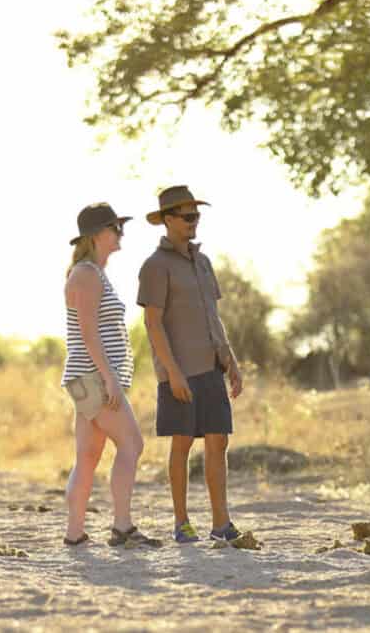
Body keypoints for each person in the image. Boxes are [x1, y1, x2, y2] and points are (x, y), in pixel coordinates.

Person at [137, 185, 244, 544]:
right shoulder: (155, 266)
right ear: (167, 221)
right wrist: (172, 373)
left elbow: (214, 315)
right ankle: (181, 523)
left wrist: (231, 360)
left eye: (196, 216)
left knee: (219, 443)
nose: (193, 222)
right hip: (179, 373)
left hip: (211, 368)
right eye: (187, 217)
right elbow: (152, 323)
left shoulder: (203, 263)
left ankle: (221, 524)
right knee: (181, 446)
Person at [62, 202, 154, 547]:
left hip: (87, 378)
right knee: (132, 444)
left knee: (87, 456)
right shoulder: (85, 274)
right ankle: (123, 528)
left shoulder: (91, 273)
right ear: (98, 235)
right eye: (116, 228)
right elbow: (88, 333)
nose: (121, 234)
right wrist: (109, 378)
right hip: (93, 378)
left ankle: (75, 534)